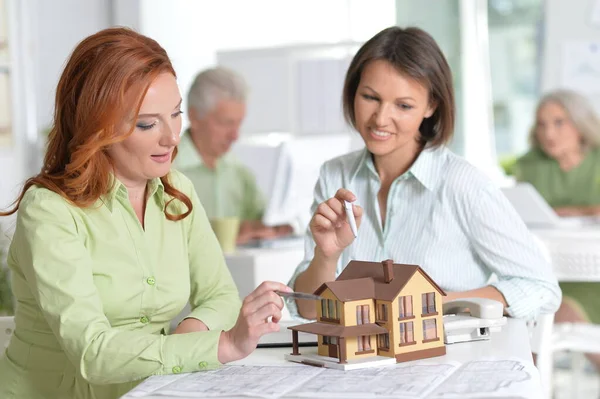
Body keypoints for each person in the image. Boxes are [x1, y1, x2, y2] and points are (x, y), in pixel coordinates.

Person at [0, 27, 291, 399]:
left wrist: (188, 338)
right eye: (147, 123)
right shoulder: (49, 210)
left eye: (176, 113)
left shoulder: (178, 191)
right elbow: (93, 352)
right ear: (97, 126)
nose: (171, 137)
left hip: (150, 389)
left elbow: (220, 295)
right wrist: (220, 345)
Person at [287, 26, 561, 322]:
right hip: (360, 361)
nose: (380, 119)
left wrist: (437, 303)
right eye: (370, 97)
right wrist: (326, 256)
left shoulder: (463, 184)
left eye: (403, 105)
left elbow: (541, 287)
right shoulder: (335, 175)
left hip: (448, 356)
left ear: (431, 105)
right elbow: (309, 309)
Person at [515, 89, 600, 372]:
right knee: (536, 310)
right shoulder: (530, 165)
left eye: (559, 122)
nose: (548, 132)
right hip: (549, 274)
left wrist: (576, 211)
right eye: (541, 124)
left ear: (580, 125)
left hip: (594, 274)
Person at [174, 67, 295, 244]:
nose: (235, 135)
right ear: (194, 116)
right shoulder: (165, 170)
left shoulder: (238, 172)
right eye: (226, 123)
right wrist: (226, 237)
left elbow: (266, 221)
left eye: (239, 123)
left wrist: (275, 227)